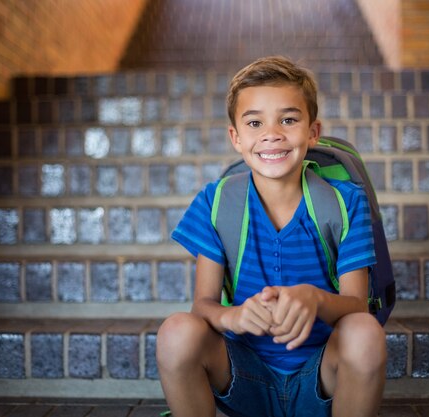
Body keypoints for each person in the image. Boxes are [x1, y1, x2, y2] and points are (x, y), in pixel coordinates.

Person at [156, 56, 387, 417]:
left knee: (365, 332)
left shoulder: (345, 201)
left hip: (320, 379)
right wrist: (232, 318)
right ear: (235, 137)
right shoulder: (217, 203)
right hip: (245, 378)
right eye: (254, 122)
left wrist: (315, 299)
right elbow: (202, 306)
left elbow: (357, 305)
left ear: (312, 131)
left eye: (289, 119)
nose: (272, 133)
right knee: (176, 332)